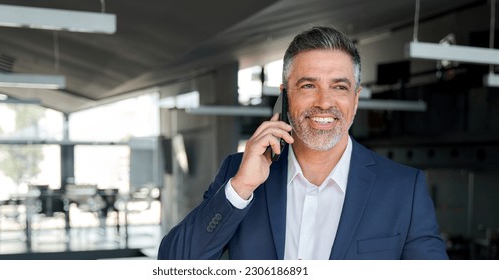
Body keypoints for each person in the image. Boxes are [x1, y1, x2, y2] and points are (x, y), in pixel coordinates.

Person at [157, 25, 448, 260]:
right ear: (286, 95)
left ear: (355, 100)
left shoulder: (403, 189)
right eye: (308, 85)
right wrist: (240, 188)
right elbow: (173, 262)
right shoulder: (239, 173)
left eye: (339, 86)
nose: (324, 102)